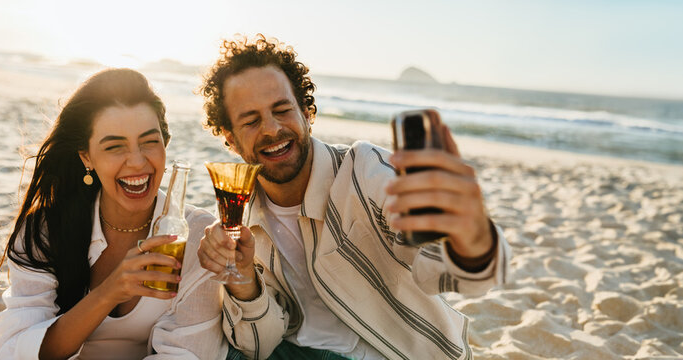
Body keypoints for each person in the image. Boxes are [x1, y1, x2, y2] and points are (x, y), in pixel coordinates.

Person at [197, 34, 512, 359]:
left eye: (282, 109)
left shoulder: (365, 171)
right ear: (231, 140)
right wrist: (244, 278)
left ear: (307, 113)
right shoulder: (245, 221)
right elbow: (260, 345)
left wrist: (468, 235)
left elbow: (447, 266)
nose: (272, 129)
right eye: (251, 121)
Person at [0, 68, 227, 359]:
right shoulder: (46, 229)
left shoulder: (198, 236)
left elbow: (188, 354)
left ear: (165, 143)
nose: (137, 162)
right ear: (86, 156)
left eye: (149, 141)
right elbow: (15, 350)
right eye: (115, 146)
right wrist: (110, 292)